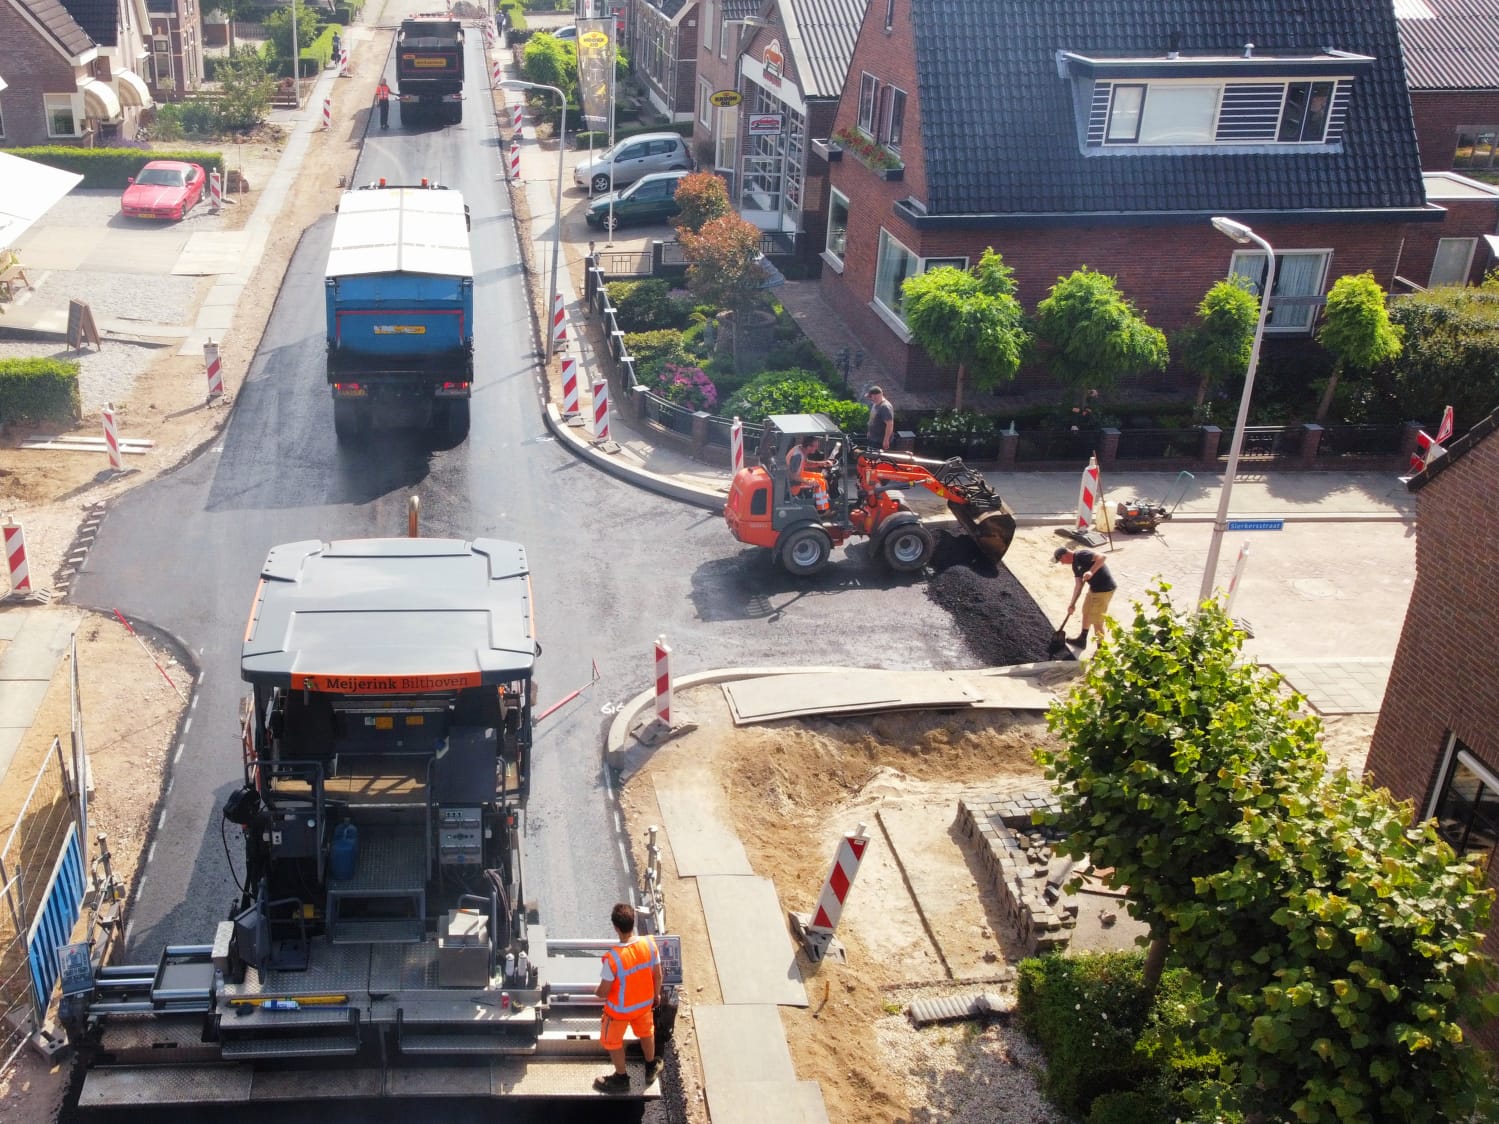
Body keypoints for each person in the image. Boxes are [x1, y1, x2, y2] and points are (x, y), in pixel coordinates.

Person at [594, 902, 664, 1093]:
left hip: (619, 1012)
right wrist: (655, 995)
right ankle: (650, 1067)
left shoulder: (613, 958)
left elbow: (604, 992)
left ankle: (621, 1078)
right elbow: (658, 974)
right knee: (646, 1033)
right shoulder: (649, 945)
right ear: (633, 923)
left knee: (612, 1041)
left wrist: (595, 991)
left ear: (616, 928)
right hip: (643, 1006)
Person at [1054, 545, 1116, 649]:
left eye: (1061, 560)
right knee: (1086, 612)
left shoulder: (1081, 554)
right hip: (1094, 589)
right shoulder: (1075, 565)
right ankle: (1082, 640)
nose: (1062, 563)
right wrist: (1072, 604)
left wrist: (1091, 571)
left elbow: (1103, 557)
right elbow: (1078, 585)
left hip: (1104, 590)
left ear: (1064, 555)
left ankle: (1101, 650)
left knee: (1097, 621)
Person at [785, 436, 833, 510]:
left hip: (797, 475)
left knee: (820, 476)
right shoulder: (797, 456)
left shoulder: (800, 449)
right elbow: (791, 475)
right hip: (792, 483)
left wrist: (820, 463)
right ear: (808, 446)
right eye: (815, 446)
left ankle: (821, 501)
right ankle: (822, 510)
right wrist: (808, 481)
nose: (817, 448)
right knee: (819, 482)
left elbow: (805, 463)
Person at [866, 385, 894, 451]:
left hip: (880, 441)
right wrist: (869, 432)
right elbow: (873, 419)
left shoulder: (885, 407)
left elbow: (890, 424)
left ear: (879, 395)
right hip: (873, 438)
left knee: (877, 459)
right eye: (871, 397)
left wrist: (886, 440)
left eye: (873, 397)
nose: (871, 399)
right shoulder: (875, 404)